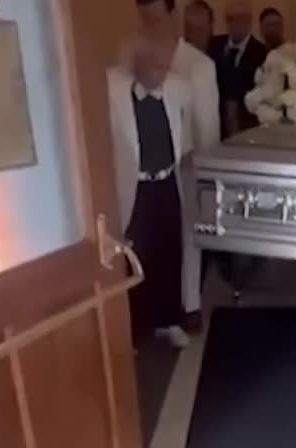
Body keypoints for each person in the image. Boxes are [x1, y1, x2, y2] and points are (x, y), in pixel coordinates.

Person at [122, 0, 221, 332]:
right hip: (145, 168)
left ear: (171, 14)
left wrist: (207, 173)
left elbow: (208, 127)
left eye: (157, 17)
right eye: (144, 17)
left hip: (187, 165)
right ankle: (151, 315)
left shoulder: (199, 66)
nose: (151, 25)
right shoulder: (130, 54)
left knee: (187, 239)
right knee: (146, 242)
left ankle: (188, 305)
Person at [107, 34, 193, 348]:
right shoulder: (112, 90)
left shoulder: (178, 89)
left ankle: (169, 321)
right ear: (136, 66)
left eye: (165, 67)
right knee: (135, 256)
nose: (162, 74)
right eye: (155, 67)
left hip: (167, 183)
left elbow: (186, 137)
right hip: (135, 187)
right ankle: (135, 330)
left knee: (169, 251)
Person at [208, 0, 268, 139]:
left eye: (241, 18)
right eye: (230, 19)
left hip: (247, 127)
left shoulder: (262, 53)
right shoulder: (213, 45)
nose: (235, 23)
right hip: (216, 125)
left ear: (249, 21)